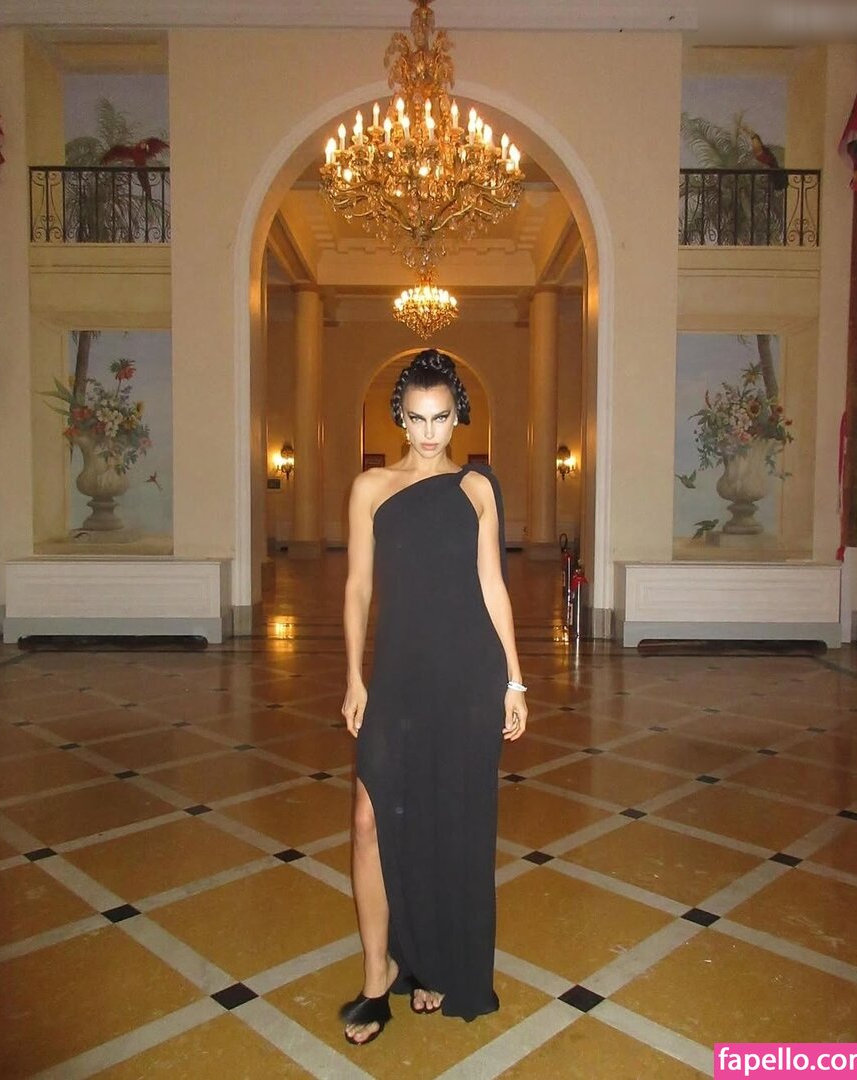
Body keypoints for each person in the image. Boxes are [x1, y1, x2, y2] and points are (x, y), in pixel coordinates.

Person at [339, 348, 528, 1046]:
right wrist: (354, 676)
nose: (428, 433)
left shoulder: (476, 488)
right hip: (397, 677)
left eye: (440, 418)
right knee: (369, 819)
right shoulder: (372, 487)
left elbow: (493, 586)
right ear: (400, 416)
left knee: (448, 824)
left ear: (457, 417)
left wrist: (513, 679)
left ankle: (431, 962)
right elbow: (358, 587)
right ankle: (377, 974)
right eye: (416, 418)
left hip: (466, 677)